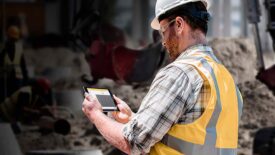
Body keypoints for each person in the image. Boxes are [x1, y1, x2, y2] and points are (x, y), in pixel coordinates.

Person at [82, 0, 243, 154]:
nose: (163, 41)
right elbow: (198, 132)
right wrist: (133, 118)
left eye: (163, 30)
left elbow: (133, 143)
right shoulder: (225, 79)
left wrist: (95, 114)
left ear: (179, 24)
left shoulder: (180, 74)